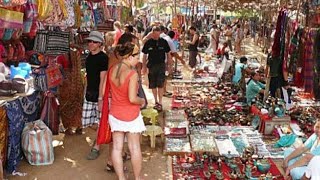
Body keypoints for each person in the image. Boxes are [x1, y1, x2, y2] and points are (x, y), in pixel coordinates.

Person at [100, 42, 146, 180]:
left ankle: (121, 178)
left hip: (115, 113)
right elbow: (132, 98)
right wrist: (142, 101)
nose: (139, 59)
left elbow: (104, 92)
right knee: (134, 148)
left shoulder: (112, 69)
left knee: (117, 148)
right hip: (131, 115)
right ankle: (137, 178)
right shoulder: (131, 73)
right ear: (129, 56)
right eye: (137, 56)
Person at [82, 31, 108, 160]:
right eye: (89, 41)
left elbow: (103, 79)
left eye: (94, 42)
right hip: (89, 92)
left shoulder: (103, 58)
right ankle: (104, 133)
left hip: (99, 94)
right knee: (87, 121)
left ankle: (97, 146)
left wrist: (100, 98)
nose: (91, 44)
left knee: (99, 119)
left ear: (100, 44)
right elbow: (89, 76)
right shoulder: (89, 58)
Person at [142, 26, 171, 111]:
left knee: (160, 84)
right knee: (153, 84)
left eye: (158, 35)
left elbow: (168, 54)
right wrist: (144, 67)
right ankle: (155, 101)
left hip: (161, 65)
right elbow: (144, 55)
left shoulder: (163, 42)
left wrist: (169, 66)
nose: (156, 37)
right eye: (155, 35)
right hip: (151, 65)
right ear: (152, 33)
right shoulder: (148, 42)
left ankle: (160, 101)